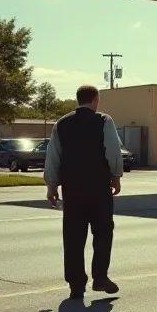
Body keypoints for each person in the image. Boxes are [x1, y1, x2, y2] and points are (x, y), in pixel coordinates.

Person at [44, 85, 124, 300]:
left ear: (77, 100)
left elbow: (53, 156)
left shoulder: (61, 124)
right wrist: (116, 176)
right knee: (103, 234)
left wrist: (52, 185)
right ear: (96, 100)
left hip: (72, 190)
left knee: (73, 238)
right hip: (98, 188)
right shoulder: (104, 121)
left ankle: (76, 285)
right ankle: (100, 277)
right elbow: (113, 151)